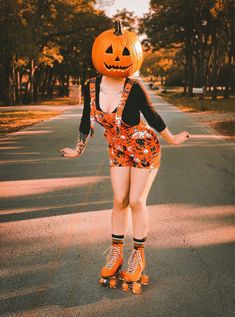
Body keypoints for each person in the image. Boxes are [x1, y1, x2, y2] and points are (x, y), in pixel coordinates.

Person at [60, 21, 190, 294]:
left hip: (144, 148)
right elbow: (87, 120)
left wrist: (173, 138)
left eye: (124, 54)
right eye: (111, 53)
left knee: (135, 201)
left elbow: (153, 117)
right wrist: (78, 149)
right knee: (119, 201)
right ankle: (116, 252)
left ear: (133, 56)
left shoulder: (134, 86)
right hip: (117, 150)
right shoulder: (91, 86)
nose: (118, 59)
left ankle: (138, 255)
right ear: (100, 54)